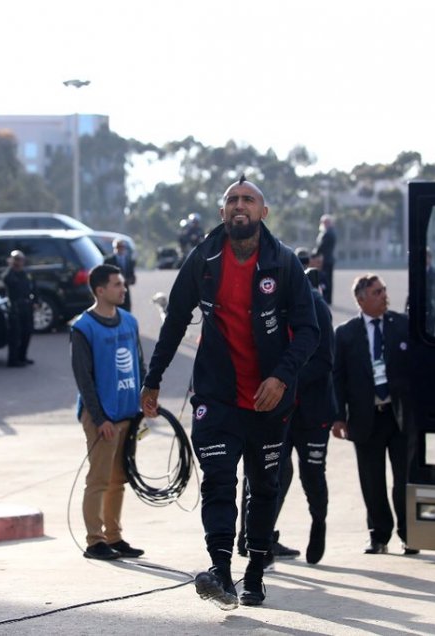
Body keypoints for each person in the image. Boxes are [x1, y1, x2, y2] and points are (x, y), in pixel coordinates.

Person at [141, 176, 319, 609]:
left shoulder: (284, 262)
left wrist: (280, 377)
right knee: (219, 483)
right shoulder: (203, 258)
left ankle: (255, 570)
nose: (240, 205)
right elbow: (176, 318)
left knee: (263, 487)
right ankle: (221, 570)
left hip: (269, 399)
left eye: (249, 200)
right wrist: (154, 377)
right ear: (222, 213)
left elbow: (309, 331)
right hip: (217, 396)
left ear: (263, 212)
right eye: (232, 200)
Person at [237, 266, 336, 564]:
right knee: (268, 471)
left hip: (310, 409)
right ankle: (256, 538)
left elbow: (324, 361)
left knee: (312, 475)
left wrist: (283, 379)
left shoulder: (316, 307)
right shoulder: (274, 305)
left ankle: (318, 522)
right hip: (278, 409)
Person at [332, 274, 416, 556]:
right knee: (372, 480)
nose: (384, 295)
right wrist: (337, 416)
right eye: (377, 292)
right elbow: (338, 379)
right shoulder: (345, 334)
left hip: (399, 416)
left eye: (383, 290)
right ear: (361, 300)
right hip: (365, 417)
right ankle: (379, 536)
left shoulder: (402, 325)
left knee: (404, 478)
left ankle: (409, 534)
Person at [71, 263, 146, 561]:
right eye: (117, 284)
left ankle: (114, 536)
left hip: (128, 413)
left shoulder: (129, 321)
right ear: (100, 290)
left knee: (119, 479)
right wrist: (100, 419)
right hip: (101, 418)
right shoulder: (83, 328)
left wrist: (146, 399)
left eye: (123, 284)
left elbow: (140, 365)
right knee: (99, 479)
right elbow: (83, 378)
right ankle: (94, 541)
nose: (123, 288)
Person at [3, 250, 35, 367]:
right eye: (16, 260)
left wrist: (36, 301)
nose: (19, 262)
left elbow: (33, 287)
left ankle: (22, 356)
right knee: (15, 335)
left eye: (20, 260)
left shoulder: (25, 274)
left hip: (27, 307)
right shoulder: (9, 275)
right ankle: (13, 360)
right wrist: (12, 266)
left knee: (27, 333)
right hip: (15, 308)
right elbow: (10, 283)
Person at [103, 238, 136, 312]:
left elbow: (133, 277)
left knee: (126, 312)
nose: (120, 249)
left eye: (122, 247)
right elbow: (104, 276)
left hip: (125, 292)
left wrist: (128, 280)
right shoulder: (108, 261)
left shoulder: (129, 261)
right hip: (112, 292)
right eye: (118, 247)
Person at [315, 214, 336, 304]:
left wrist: (314, 254)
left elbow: (321, 247)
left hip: (325, 260)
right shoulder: (331, 232)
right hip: (329, 259)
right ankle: (328, 299)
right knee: (328, 281)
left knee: (325, 281)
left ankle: (326, 299)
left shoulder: (327, 233)